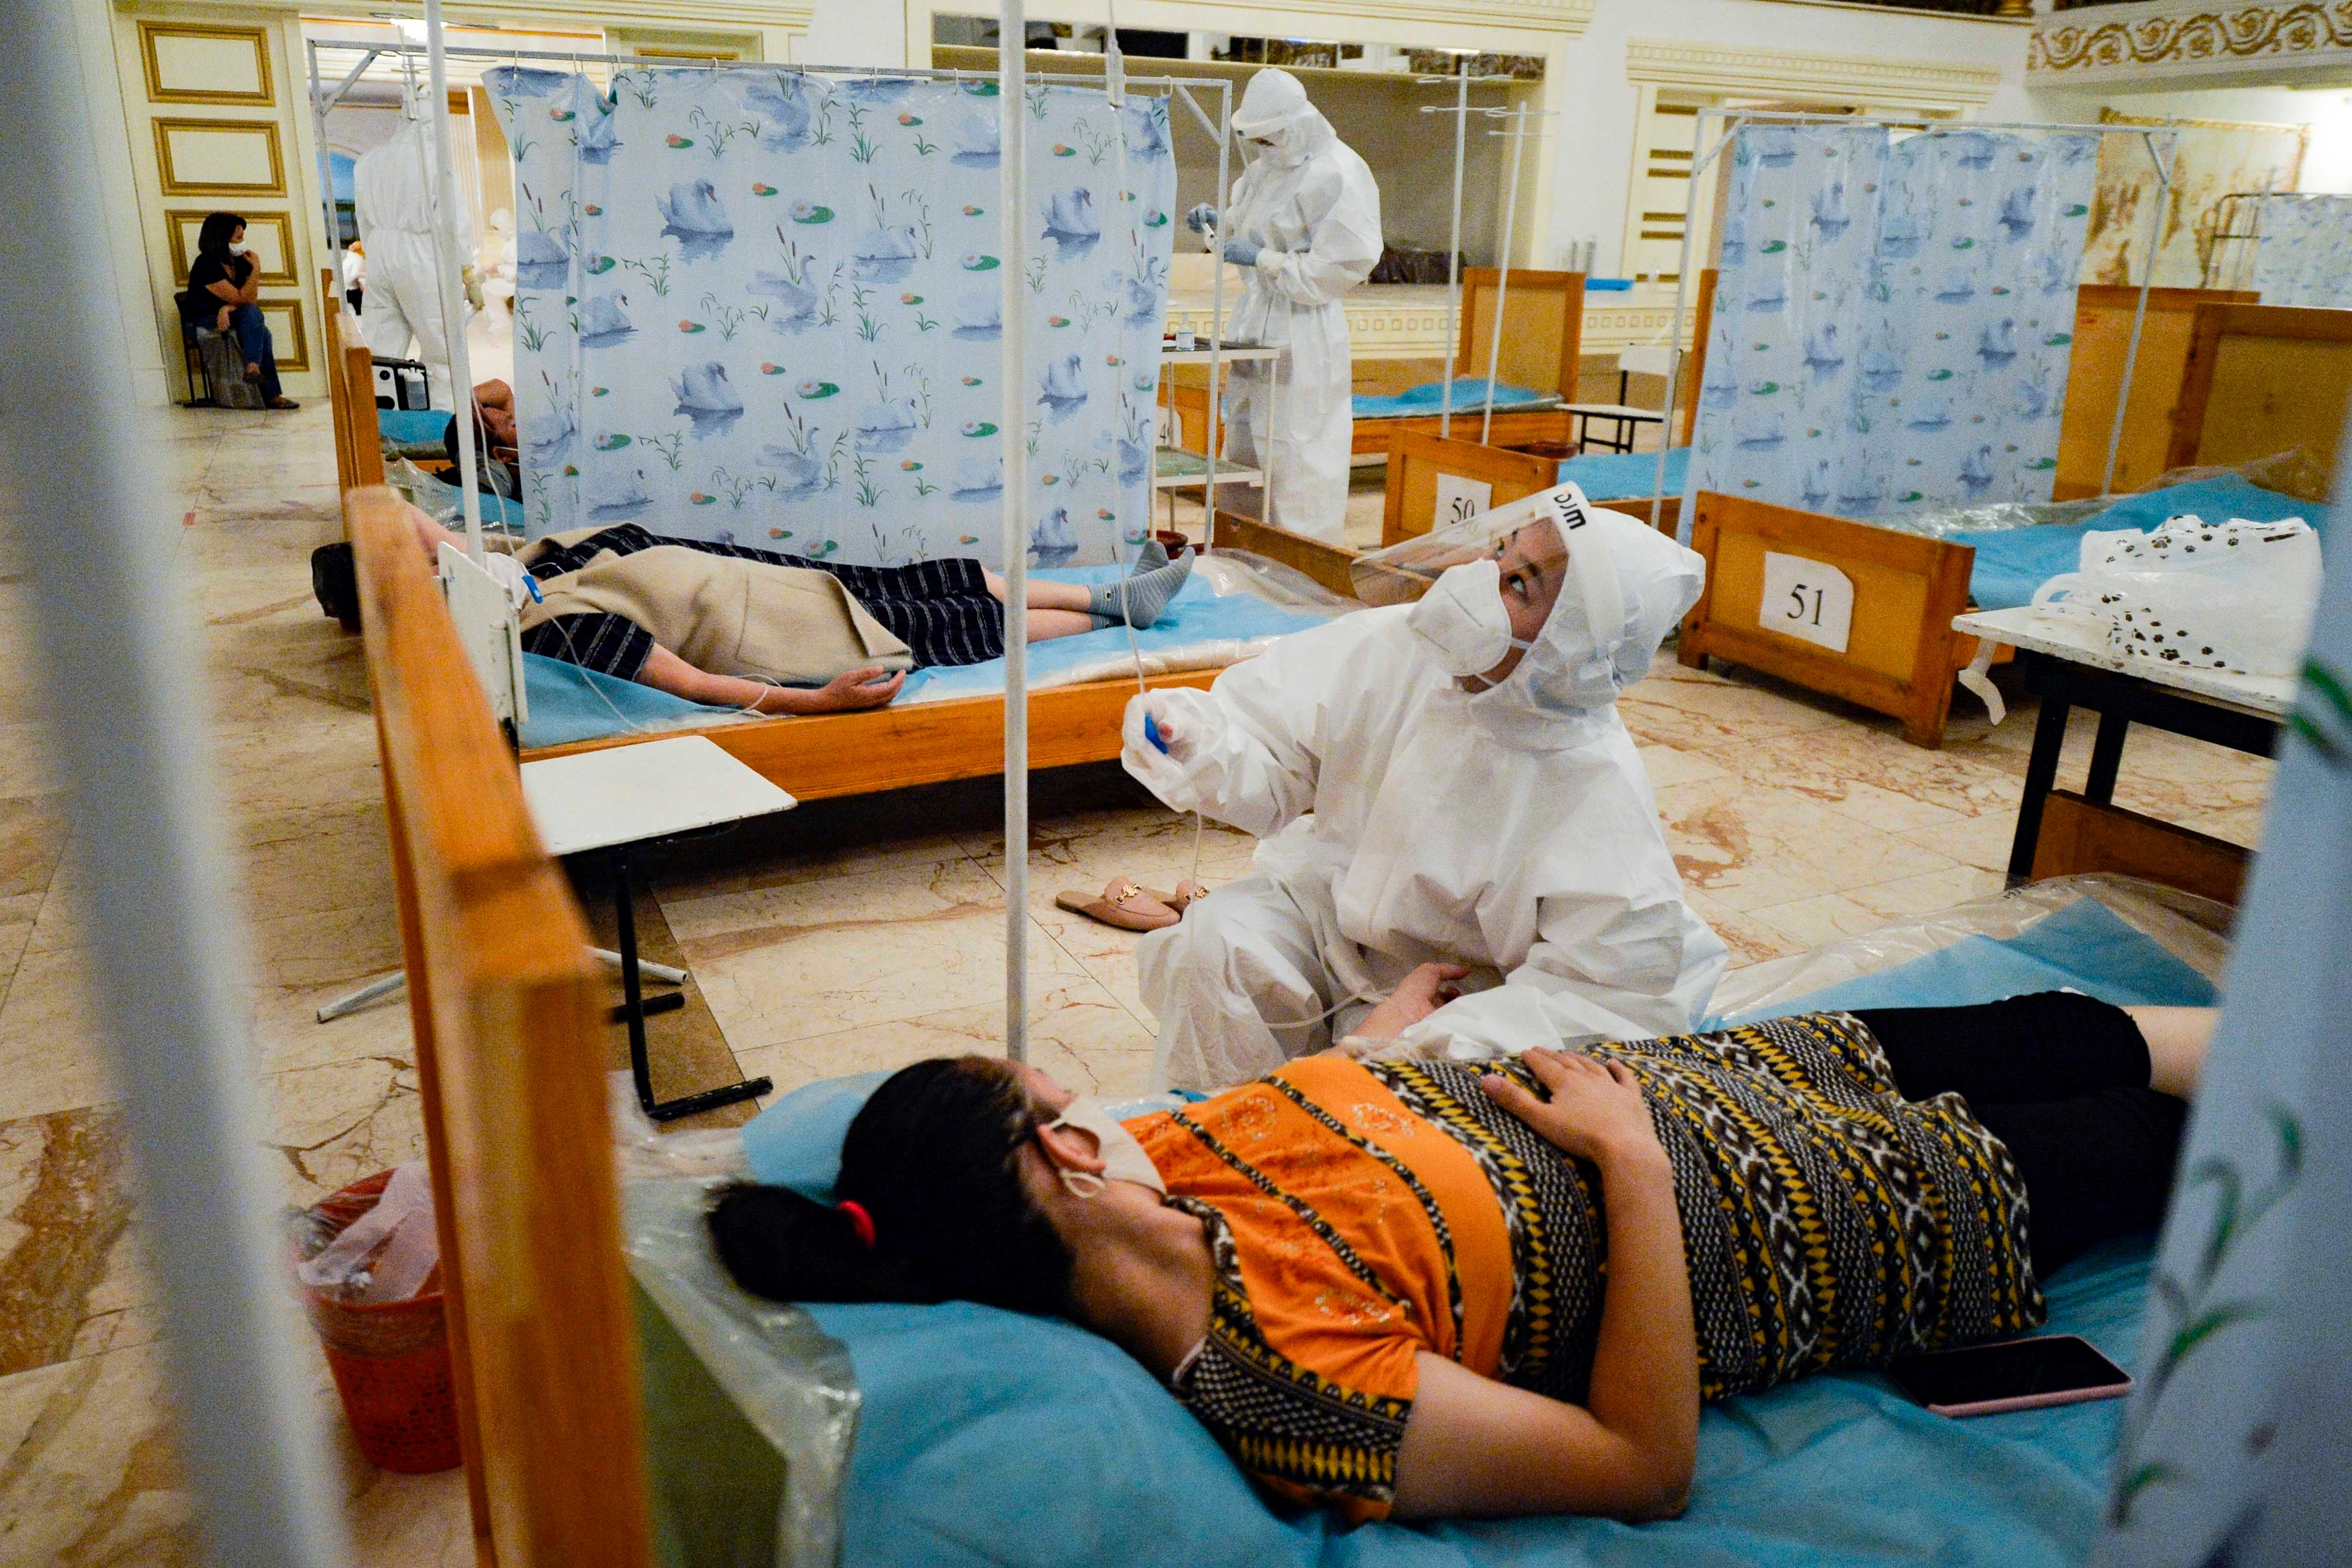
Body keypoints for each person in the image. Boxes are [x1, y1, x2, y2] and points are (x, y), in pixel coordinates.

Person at [708, 992, 2216, 1522]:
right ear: (1054, 1163)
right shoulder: (1277, 1389)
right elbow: (1642, 1465)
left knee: (2067, 1030)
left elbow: (1347, 1118)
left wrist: (1385, 1034)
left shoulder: (1172, 1157)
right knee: (2140, 1135)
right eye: (1051, 1107)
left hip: (1708, 1070)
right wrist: (1626, 1163)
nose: (1087, 1109)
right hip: (1791, 1208)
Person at [1119, 483, 1727, 1091]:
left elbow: (1607, 996)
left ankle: (1303, 1162)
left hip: (1460, 992)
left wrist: (1426, 1037)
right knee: (1211, 946)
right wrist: (1197, 740)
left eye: (1518, 583)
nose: (1477, 579)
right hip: (1325, 915)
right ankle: (1207, 1142)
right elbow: (1269, 735)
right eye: (1499, 552)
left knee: (1422, 1093)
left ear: (1567, 648)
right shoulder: (1401, 647)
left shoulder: (1592, 788)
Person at [403, 508, 1196, 716]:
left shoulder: (528, 573)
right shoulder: (555, 627)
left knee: (930, 575)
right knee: (941, 624)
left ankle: (1110, 594)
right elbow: (691, 683)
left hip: (765, 577)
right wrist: (813, 702)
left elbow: (419, 533)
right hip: (778, 632)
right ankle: (1114, 620)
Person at [1184, 69, 1380, 545]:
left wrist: (1267, 259)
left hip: (1304, 331)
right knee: (1245, 447)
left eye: (1270, 137)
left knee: (1299, 456)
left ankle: (1301, 571)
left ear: (1295, 124)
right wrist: (1215, 228)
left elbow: (1336, 269)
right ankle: (1240, 557)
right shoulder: (1263, 170)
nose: (1263, 147)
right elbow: (1241, 234)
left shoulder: (1339, 171)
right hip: (1255, 326)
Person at [353, 94, 473, 411]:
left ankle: (379, 422)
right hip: (421, 254)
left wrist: (375, 252)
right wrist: (467, 269)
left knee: (381, 345)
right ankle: (448, 424)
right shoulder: (435, 163)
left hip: (379, 252)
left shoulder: (368, 162)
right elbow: (452, 223)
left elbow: (363, 221)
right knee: (443, 349)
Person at [183, 213, 298, 410]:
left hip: (233, 316)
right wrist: (229, 306)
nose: (243, 242)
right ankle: (268, 389)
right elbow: (240, 298)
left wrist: (255, 270)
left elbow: (249, 299)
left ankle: (254, 367)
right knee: (262, 330)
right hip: (203, 320)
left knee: (257, 321)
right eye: (238, 238)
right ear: (221, 238)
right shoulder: (205, 264)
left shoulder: (241, 263)